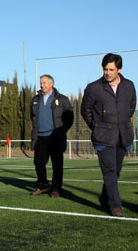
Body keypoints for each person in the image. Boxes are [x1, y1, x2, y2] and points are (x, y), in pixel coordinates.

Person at [81, 53, 136, 217]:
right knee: (110, 171)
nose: (108, 73)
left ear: (119, 69)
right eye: (105, 69)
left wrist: (123, 122)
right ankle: (115, 206)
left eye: (111, 69)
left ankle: (105, 199)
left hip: (123, 134)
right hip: (103, 136)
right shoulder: (93, 88)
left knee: (116, 171)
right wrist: (97, 126)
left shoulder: (129, 86)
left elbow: (131, 106)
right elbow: (86, 110)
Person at [30, 74, 73, 198]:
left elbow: (69, 117)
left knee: (57, 164)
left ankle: (56, 188)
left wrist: (61, 130)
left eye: (44, 83)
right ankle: (42, 185)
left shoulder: (62, 99)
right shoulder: (35, 100)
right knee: (38, 162)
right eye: (41, 83)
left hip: (55, 137)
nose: (42, 85)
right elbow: (32, 117)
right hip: (40, 137)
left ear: (51, 84)